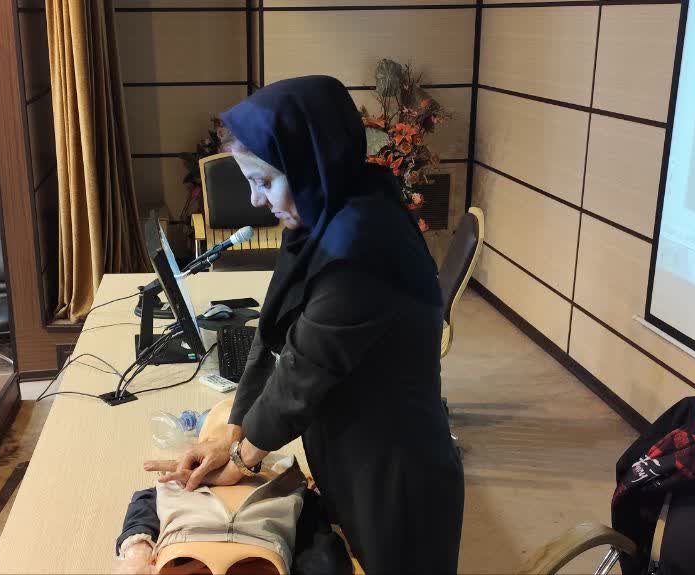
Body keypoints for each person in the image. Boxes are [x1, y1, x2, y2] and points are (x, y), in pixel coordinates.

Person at [144, 75, 464, 573]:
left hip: (394, 473)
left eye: (264, 181)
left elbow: (303, 371)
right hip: (353, 445)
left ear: (313, 164)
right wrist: (232, 431)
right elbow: (275, 331)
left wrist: (242, 459)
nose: (255, 200)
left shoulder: (360, 247)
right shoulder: (329, 208)